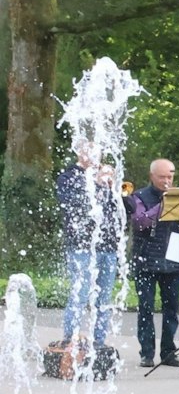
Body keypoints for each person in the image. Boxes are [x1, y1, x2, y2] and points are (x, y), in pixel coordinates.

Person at [55, 140, 123, 354]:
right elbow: (72, 204)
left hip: (108, 247)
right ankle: (70, 339)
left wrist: (113, 188)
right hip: (81, 246)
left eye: (99, 154)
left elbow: (125, 209)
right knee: (80, 293)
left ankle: (99, 341)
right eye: (92, 154)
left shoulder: (106, 182)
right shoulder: (68, 177)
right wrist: (94, 183)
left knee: (104, 297)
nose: (96, 159)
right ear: (80, 154)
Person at [126, 158, 179, 368]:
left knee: (171, 308)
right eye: (162, 177)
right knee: (146, 308)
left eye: (170, 176)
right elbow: (140, 222)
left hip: (173, 258)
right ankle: (147, 353)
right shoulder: (139, 196)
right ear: (152, 176)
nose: (167, 180)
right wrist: (164, 204)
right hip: (146, 259)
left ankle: (169, 352)